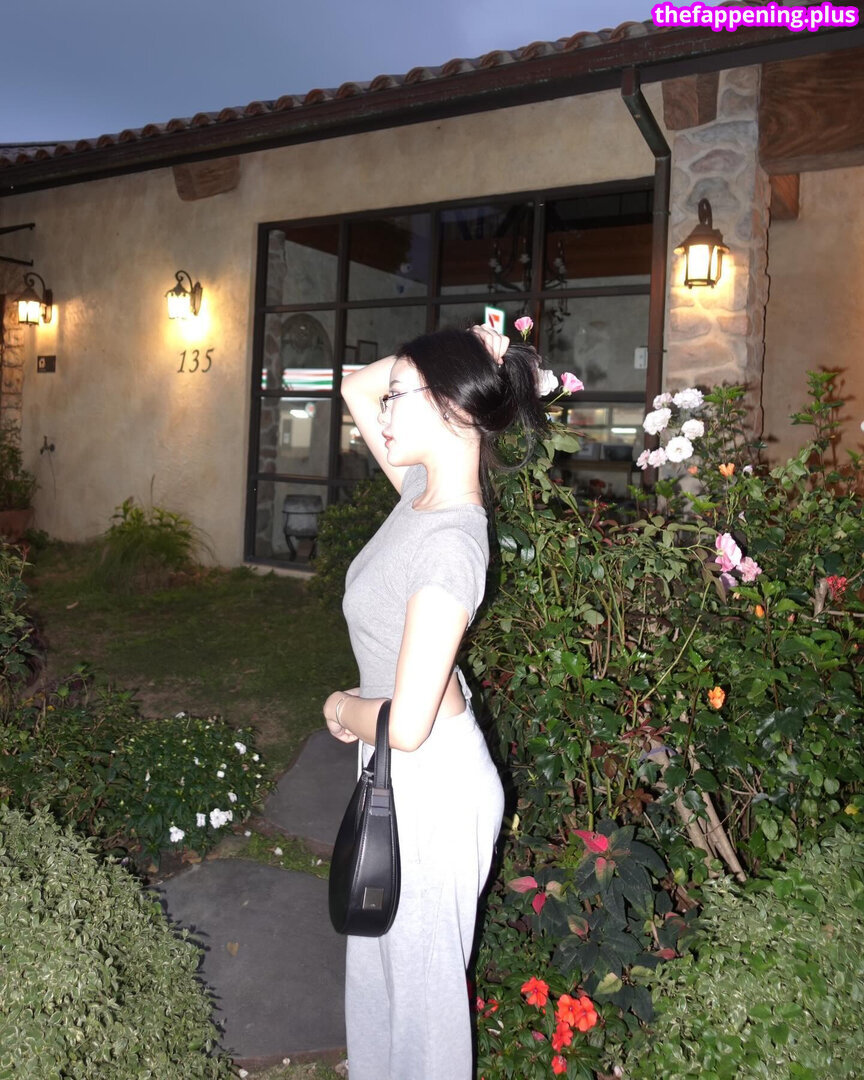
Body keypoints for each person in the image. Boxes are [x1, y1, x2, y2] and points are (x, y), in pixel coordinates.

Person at [323, 324, 548, 1080]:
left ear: (452, 407)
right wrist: (458, 354)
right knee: (379, 978)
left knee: (424, 1011)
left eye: (400, 398)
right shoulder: (419, 494)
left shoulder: (451, 540)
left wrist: (340, 709)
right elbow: (354, 384)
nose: (382, 410)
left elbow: (409, 724)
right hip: (402, 773)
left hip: (430, 785)